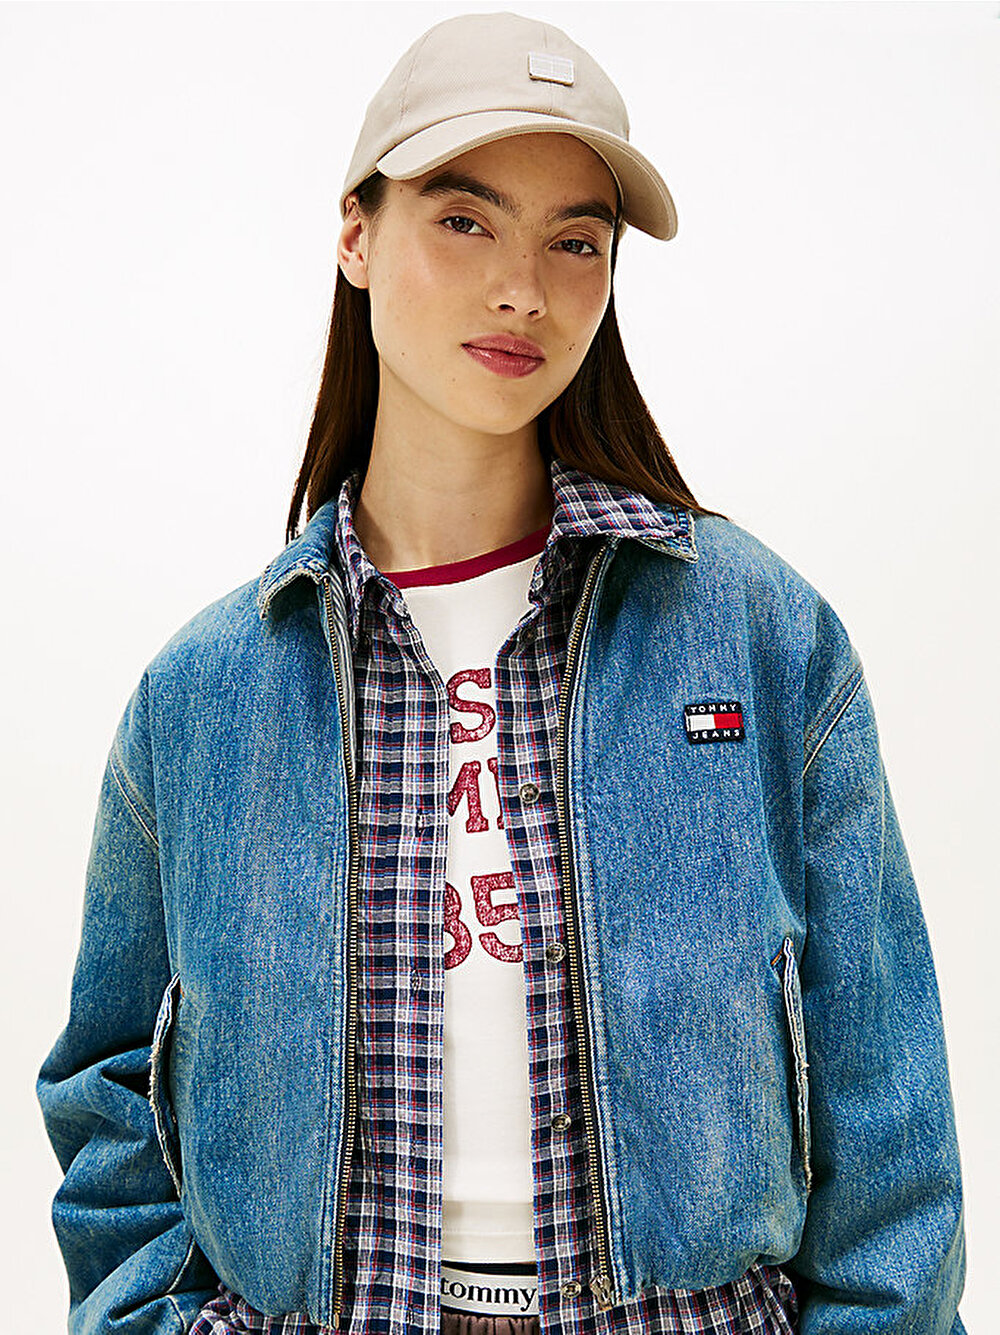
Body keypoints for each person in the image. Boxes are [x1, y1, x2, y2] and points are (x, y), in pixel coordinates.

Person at [36, 11, 966, 1335]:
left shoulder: (758, 636)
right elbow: (110, 1097)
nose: (522, 288)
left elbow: (885, 1105)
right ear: (356, 235)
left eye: (575, 241)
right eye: (466, 221)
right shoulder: (206, 695)